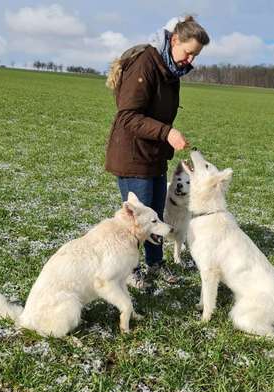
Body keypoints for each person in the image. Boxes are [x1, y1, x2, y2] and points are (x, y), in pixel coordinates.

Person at [105, 15, 210, 288]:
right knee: (137, 221)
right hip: (132, 155)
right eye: (188, 52)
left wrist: (165, 142)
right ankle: (130, 270)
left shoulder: (171, 70)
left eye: (195, 56)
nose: (190, 60)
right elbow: (127, 116)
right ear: (174, 40)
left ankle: (156, 263)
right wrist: (167, 133)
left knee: (156, 218)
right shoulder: (146, 64)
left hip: (153, 156)